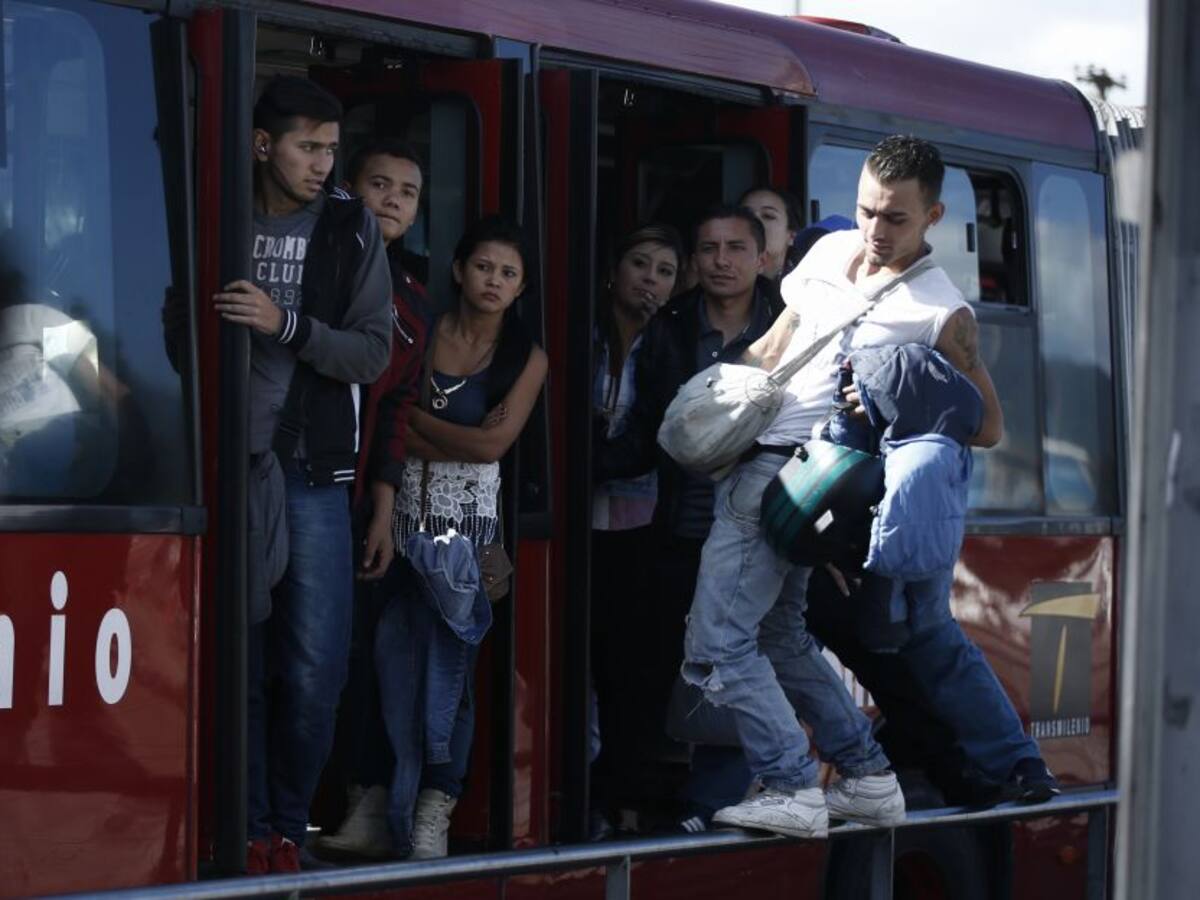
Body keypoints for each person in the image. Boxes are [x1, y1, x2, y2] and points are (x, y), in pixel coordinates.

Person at [680, 135, 1013, 840]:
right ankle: (865, 776)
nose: (875, 230)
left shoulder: (942, 311)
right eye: (865, 211)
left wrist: (899, 400)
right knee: (780, 635)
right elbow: (780, 340)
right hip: (759, 453)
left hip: (805, 475)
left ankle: (792, 783)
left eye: (895, 218)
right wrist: (725, 397)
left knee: (715, 644)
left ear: (934, 215)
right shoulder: (827, 252)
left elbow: (986, 427)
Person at [213, 76, 393, 875]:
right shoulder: (215, 203)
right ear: (263, 145)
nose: (325, 163)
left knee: (316, 667)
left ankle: (287, 821)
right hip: (224, 465)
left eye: (331, 147)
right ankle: (251, 826)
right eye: (308, 146)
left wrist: (283, 323)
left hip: (314, 470)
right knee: (239, 660)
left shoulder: (353, 226)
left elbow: (372, 351)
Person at [592, 206, 783, 829]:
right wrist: (576, 464)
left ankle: (711, 804)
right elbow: (648, 432)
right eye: (708, 249)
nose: (721, 261)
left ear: (761, 259)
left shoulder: (792, 323)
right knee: (645, 673)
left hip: (762, 534)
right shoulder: (669, 330)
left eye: (735, 248)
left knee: (735, 674)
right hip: (675, 529)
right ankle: (637, 801)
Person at [375, 216, 548, 859]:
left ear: (521, 286)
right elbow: (423, 432)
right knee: (383, 663)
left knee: (454, 674)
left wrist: (412, 420)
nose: (493, 281)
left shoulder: (526, 357)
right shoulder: (422, 329)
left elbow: (493, 448)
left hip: (472, 538)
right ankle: (376, 802)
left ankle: (435, 809)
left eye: (508, 273)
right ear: (458, 270)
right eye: (483, 267)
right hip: (393, 519)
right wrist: (454, 439)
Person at [311, 139, 430, 861]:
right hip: (296, 482)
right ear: (346, 189)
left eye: (407, 191)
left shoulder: (413, 297)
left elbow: (398, 410)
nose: (391, 199)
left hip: (358, 499)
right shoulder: (314, 269)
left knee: (350, 655)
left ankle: (357, 800)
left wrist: (384, 507)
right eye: (377, 183)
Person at [588, 223, 683, 837]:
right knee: (582, 663)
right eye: (640, 263)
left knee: (630, 671)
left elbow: (660, 433)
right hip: (576, 524)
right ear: (614, 271)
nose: (649, 279)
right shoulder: (584, 330)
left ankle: (621, 797)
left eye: (665, 271)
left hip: (639, 526)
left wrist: (592, 462)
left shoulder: (670, 344)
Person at [738, 186, 802, 282]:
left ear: (792, 236)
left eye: (768, 216)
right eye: (746, 214)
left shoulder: (809, 286)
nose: (754, 221)